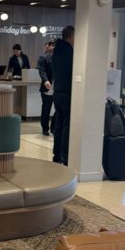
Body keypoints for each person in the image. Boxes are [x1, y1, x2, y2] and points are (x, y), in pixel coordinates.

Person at [51, 25, 74, 165]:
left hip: (57, 92)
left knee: (59, 125)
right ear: (72, 36)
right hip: (67, 93)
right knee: (66, 127)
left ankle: (57, 156)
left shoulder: (57, 51)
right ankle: (65, 157)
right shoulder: (69, 52)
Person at [37, 40, 55, 136]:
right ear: (48, 47)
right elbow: (41, 70)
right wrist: (46, 80)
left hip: (58, 88)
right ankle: (45, 128)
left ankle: (54, 128)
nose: (53, 47)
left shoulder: (60, 58)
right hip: (47, 87)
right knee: (46, 109)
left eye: (54, 46)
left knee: (59, 109)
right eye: (51, 45)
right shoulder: (43, 57)